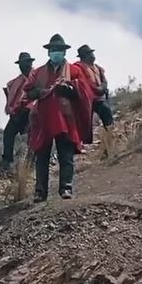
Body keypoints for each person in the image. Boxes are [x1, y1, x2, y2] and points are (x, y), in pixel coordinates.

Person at [25, 34, 95, 202]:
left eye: (59, 50)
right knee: (42, 156)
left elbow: (85, 92)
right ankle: (40, 192)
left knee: (66, 154)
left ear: (64, 52)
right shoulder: (38, 73)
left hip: (66, 117)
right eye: (53, 50)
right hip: (43, 118)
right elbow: (28, 92)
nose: (56, 53)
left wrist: (70, 89)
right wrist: (40, 92)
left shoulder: (74, 70)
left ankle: (66, 188)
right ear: (49, 52)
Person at [0, 53, 35, 171]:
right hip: (18, 113)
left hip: (34, 112)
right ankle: (7, 161)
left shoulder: (37, 77)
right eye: (22, 63)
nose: (24, 66)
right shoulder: (15, 82)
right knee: (8, 133)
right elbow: (12, 99)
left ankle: (31, 161)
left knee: (34, 133)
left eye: (26, 63)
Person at [76, 45, 114, 134]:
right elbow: (84, 82)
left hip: (99, 98)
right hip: (86, 99)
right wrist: (97, 89)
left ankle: (111, 134)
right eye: (89, 53)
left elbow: (104, 80)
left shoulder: (97, 67)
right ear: (84, 56)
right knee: (85, 121)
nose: (92, 55)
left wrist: (103, 87)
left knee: (106, 113)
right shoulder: (79, 67)